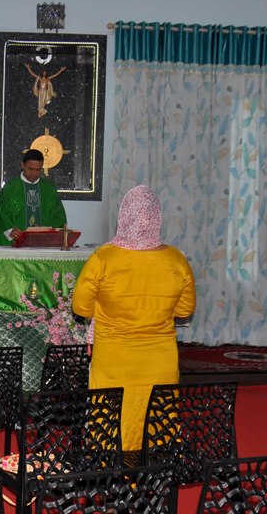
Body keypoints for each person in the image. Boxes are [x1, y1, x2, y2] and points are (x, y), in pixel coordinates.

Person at [71, 185, 196, 453]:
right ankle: (156, 467)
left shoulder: (104, 258)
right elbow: (184, 310)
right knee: (156, 418)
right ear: (157, 218)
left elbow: (81, 307)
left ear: (124, 216)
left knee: (111, 418)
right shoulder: (176, 259)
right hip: (160, 358)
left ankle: (110, 468)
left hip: (114, 356)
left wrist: (106, 310)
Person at [0, 148, 67, 246]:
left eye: (38, 170)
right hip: (15, 243)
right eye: (30, 169)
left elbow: (59, 217)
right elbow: (2, 216)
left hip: (43, 244)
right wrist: (11, 230)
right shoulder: (10, 188)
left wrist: (46, 229)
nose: (34, 173)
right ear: (22, 165)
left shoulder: (49, 189)